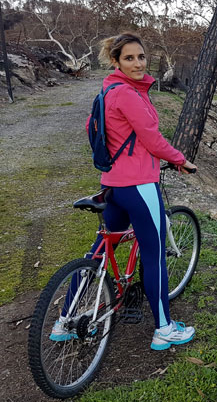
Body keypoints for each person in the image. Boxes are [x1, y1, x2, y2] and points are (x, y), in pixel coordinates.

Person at [50, 32, 196, 350]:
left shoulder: (106, 92)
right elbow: (152, 139)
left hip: (112, 185)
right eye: (129, 58)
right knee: (154, 257)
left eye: (141, 56)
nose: (137, 63)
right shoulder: (129, 95)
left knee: (98, 252)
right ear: (116, 61)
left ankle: (63, 321)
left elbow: (92, 128)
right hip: (140, 186)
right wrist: (180, 160)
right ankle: (164, 329)